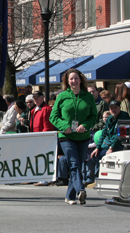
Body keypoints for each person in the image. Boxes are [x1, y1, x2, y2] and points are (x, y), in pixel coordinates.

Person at [50, 68, 97, 205]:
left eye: (76, 78)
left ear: (80, 80)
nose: (74, 81)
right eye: (71, 79)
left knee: (77, 165)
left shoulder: (88, 97)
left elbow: (94, 116)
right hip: (66, 136)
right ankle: (80, 189)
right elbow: (53, 116)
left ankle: (69, 196)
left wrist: (85, 125)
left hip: (82, 136)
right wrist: (64, 125)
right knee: (74, 164)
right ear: (67, 81)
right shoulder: (62, 96)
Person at [90, 100, 130, 171]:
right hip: (108, 144)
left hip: (118, 145)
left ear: (119, 108)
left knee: (102, 157)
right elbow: (103, 134)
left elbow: (120, 136)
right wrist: (97, 147)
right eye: (111, 108)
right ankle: (101, 175)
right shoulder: (109, 119)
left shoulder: (124, 118)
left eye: (115, 107)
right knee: (94, 156)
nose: (113, 110)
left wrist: (111, 148)